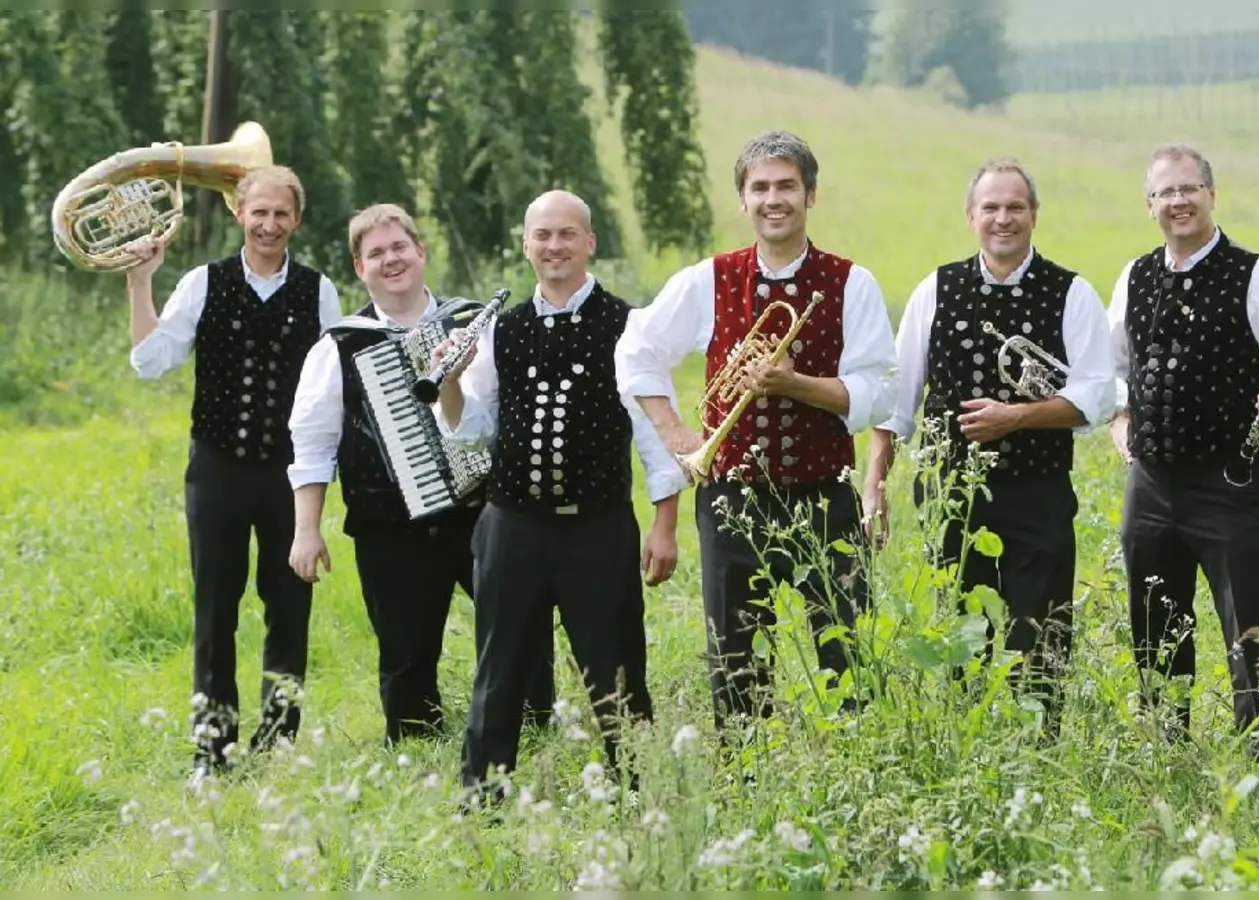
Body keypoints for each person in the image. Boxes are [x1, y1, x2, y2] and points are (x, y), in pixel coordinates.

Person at [615, 129, 898, 733]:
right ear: (742, 199)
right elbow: (636, 353)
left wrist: (796, 384)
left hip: (826, 493)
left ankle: (856, 765)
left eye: (787, 186)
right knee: (735, 660)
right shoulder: (706, 280)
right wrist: (676, 436)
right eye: (761, 187)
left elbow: (879, 393)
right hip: (733, 499)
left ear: (810, 195)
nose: (775, 199)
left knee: (848, 651)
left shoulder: (853, 283)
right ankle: (747, 777)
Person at [433, 190, 683, 797]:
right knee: (498, 668)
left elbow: (658, 433)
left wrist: (665, 524)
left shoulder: (630, 325)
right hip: (512, 524)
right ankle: (483, 804)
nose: (554, 246)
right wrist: (447, 382)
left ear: (589, 242)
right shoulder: (501, 328)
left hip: (596, 526)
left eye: (566, 234)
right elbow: (472, 427)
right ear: (526, 245)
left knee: (616, 665)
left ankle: (638, 797)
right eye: (542, 235)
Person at [285, 203, 555, 747]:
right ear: (360, 269)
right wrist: (306, 529)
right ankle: (417, 760)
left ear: (420, 252)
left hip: (483, 515)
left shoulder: (475, 321)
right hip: (390, 527)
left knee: (524, 635)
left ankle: (534, 738)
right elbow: (313, 443)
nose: (391, 260)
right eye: (376, 253)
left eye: (399, 247)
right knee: (405, 659)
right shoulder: (338, 345)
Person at [863, 157, 1116, 735]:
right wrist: (875, 484)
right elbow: (895, 402)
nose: (1004, 219)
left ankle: (1038, 756)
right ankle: (968, 745)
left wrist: (1018, 416)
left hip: (1039, 492)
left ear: (1034, 215)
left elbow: (1097, 398)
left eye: (1016, 207)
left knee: (1042, 635)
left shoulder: (1071, 292)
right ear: (971, 216)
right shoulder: (936, 287)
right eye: (992, 207)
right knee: (960, 636)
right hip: (952, 494)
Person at [125, 165, 343, 779]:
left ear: (296, 220)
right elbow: (150, 362)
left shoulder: (319, 291)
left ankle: (278, 744)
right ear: (238, 214)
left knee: (289, 605)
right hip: (217, 468)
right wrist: (140, 283)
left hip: (288, 474)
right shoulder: (203, 282)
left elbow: (333, 389)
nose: (269, 224)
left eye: (281, 214)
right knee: (215, 608)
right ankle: (212, 750)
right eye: (259, 212)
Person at [1107, 143, 1259, 744]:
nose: (1178, 201)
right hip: (1149, 485)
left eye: (1188, 189)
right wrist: (1119, 419)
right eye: (1165, 192)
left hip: (1229, 483)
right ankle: (1164, 750)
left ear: (1211, 194)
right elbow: (1115, 366)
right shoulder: (1134, 275)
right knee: (1153, 626)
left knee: (1251, 630)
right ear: (1149, 204)